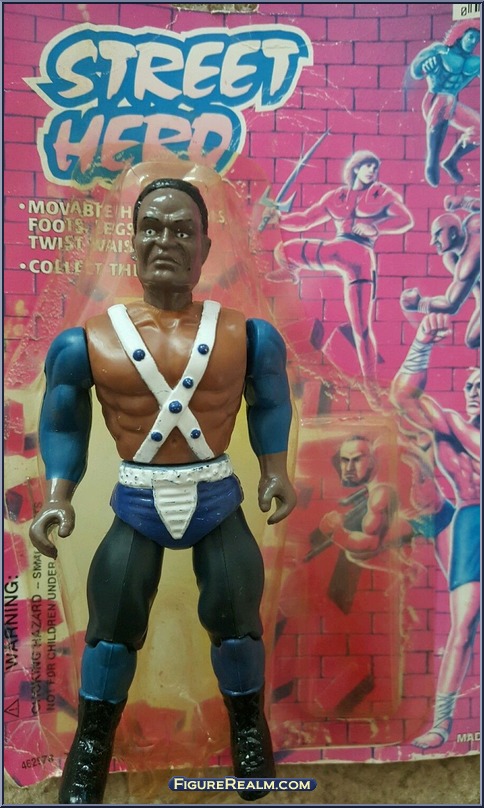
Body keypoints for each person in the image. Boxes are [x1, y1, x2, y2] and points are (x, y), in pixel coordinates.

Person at [29, 177, 297, 803]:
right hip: (138, 501)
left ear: (205, 247)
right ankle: (91, 745)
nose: (165, 241)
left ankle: (248, 730)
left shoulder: (248, 336)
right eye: (150, 227)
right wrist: (57, 495)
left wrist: (275, 470)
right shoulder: (86, 343)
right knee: (112, 626)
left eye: (181, 230)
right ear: (131, 242)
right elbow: (63, 423)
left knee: (236, 619)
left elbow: (271, 404)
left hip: (216, 498)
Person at [391, 313, 480, 749]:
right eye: (470, 386)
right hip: (472, 520)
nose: (474, 391)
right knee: (463, 624)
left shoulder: (462, 432)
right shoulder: (451, 430)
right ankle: (442, 722)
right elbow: (403, 395)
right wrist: (422, 342)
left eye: (483, 385)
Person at [265, 151, 414, 398]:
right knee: (284, 249)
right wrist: (279, 219)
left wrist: (375, 227)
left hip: (360, 259)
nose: (372, 171)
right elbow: (306, 219)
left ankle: (370, 383)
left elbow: (404, 219)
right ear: (356, 168)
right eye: (367, 166)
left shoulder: (380, 194)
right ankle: (292, 272)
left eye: (375, 168)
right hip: (335, 250)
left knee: (361, 328)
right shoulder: (338, 197)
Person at [311, 435, 414, 561]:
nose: (349, 468)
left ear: (371, 461)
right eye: (345, 460)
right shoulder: (383, 451)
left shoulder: (381, 495)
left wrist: (335, 532)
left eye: (357, 459)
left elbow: (370, 544)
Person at [401, 196, 480, 348]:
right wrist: (463, 202)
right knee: (472, 339)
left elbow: (451, 304)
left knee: (473, 339)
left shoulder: (468, 262)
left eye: (437, 234)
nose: (433, 242)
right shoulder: (473, 222)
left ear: (453, 233)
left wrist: (419, 303)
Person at [410, 23, 480, 187]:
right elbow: (416, 71)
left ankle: (451, 160)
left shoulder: (476, 62)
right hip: (434, 100)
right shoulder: (440, 50)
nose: (473, 42)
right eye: (471, 37)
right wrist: (426, 64)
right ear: (460, 35)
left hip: (451, 104)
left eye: (477, 39)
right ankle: (432, 159)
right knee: (446, 99)